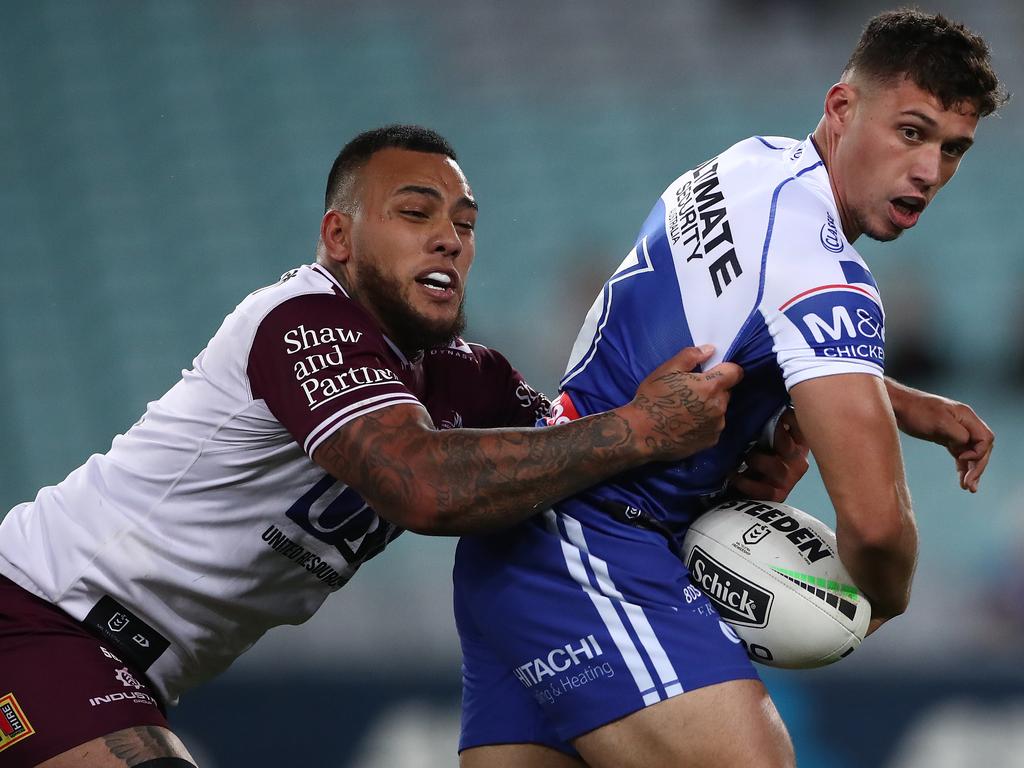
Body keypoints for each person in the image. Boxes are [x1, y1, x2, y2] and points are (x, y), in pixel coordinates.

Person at [0, 126, 761, 768]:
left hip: (131, 667)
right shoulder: (301, 319)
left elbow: (588, 486)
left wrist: (735, 486)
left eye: (465, 223)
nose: (449, 238)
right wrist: (634, 427)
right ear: (339, 237)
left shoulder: (470, 378)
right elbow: (419, 485)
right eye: (415, 212)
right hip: (35, 617)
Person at [454, 10, 1003, 768]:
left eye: (953, 149)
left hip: (524, 538)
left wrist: (902, 402)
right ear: (841, 108)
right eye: (911, 132)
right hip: (599, 549)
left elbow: (757, 321)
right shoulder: (824, 271)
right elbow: (875, 527)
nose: (930, 170)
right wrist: (878, 602)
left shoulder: (751, 164)